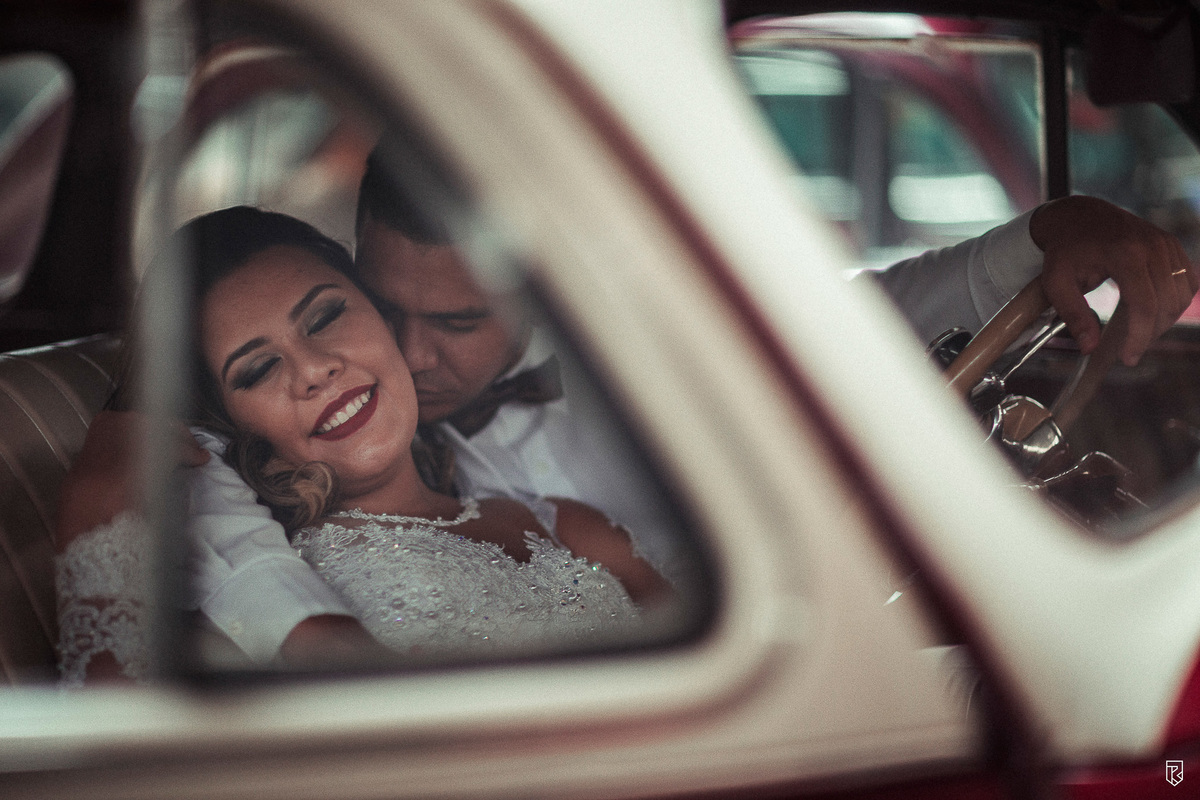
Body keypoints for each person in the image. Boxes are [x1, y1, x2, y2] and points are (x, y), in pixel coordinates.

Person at [58, 143, 1198, 668]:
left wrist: (1052, 233)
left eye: (453, 321)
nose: (402, 352)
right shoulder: (266, 504)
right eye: (382, 305)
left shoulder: (604, 424)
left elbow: (852, 333)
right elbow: (148, 515)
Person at [54, 207, 669, 685]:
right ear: (227, 421)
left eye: (325, 318)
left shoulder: (567, 526)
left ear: (381, 317)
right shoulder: (252, 580)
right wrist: (94, 511)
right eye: (257, 369)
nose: (314, 369)